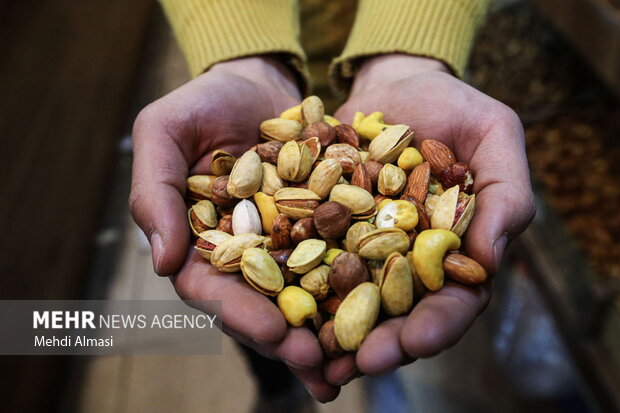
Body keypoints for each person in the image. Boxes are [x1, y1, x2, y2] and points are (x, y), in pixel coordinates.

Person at [129, 0, 536, 404]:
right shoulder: (284, 181)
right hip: (280, 92)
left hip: (374, 83)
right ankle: (279, 389)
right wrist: (241, 59)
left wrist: (407, 54)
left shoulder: (371, 186)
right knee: (258, 324)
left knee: (375, 337)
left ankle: (366, 378)